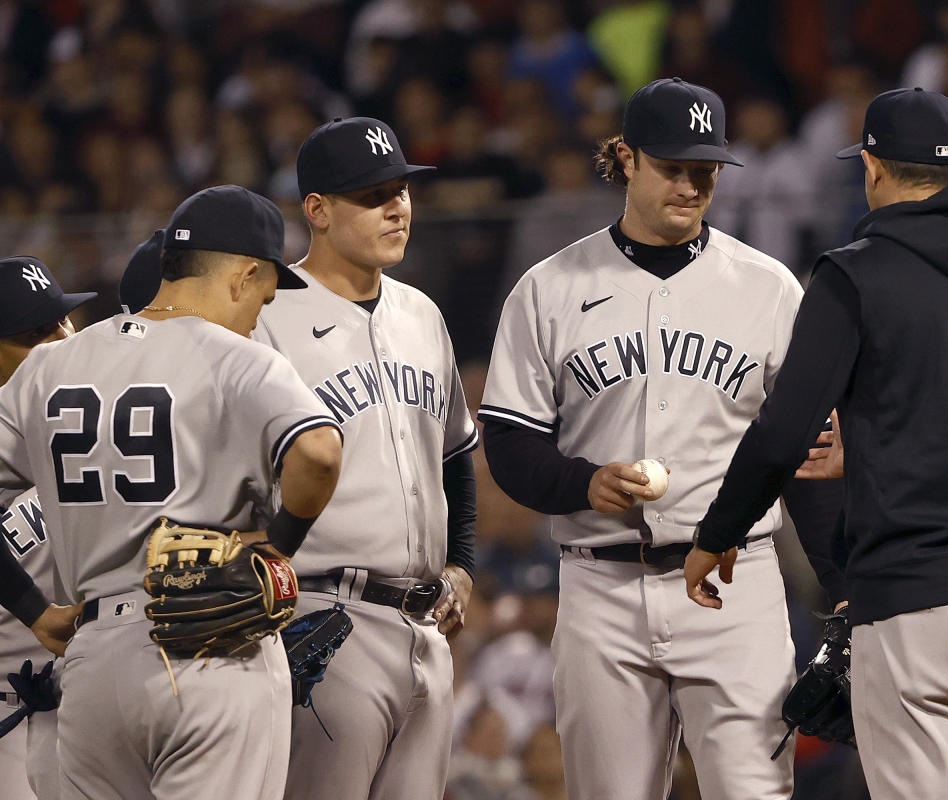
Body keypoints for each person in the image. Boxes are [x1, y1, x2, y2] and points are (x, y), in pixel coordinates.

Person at [684, 87, 948, 800]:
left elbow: (783, 432)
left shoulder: (854, 275)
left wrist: (718, 532)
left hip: (923, 594)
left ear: (870, 169)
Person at [479, 77, 844, 800]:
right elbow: (511, 445)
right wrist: (583, 483)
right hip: (599, 582)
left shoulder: (769, 288)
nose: (690, 185)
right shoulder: (549, 287)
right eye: (673, 167)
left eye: (704, 170)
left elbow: (805, 458)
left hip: (736, 585)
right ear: (624, 157)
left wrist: (842, 590)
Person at [0, 184, 344, 800]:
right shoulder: (239, 359)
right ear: (243, 276)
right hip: (209, 654)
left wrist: (35, 611)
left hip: (93, 663)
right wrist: (280, 545)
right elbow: (318, 452)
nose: (258, 313)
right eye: (264, 295)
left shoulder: (48, 368)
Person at [250, 116, 480, 800]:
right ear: (316, 210)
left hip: (424, 625)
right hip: (322, 616)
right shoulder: (268, 315)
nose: (397, 206)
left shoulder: (421, 314)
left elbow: (456, 455)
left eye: (401, 189)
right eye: (373, 194)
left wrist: (462, 563)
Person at [0, 256, 96, 800]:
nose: (63, 339)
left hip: (84, 702)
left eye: (64, 321)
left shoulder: (97, 422)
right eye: (38, 333)